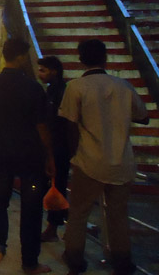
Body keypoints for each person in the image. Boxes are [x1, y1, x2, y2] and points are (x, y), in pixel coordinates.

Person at [59, 39, 149, 275]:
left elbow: (69, 125)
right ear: (105, 58)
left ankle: (76, 259)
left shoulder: (76, 87)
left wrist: (72, 155)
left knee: (79, 212)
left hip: (89, 161)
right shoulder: (123, 86)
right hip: (122, 161)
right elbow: (143, 116)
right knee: (118, 215)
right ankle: (122, 260)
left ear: (80, 59)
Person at [0, 38, 54, 274]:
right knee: (31, 208)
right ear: (20, 57)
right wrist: (49, 156)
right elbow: (41, 127)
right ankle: (30, 262)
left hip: (3, 153)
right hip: (30, 156)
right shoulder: (33, 87)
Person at [37, 55, 70, 243]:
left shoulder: (62, 92)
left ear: (54, 71)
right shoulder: (50, 91)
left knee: (57, 186)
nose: (40, 74)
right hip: (50, 145)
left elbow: (64, 122)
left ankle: (54, 227)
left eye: (43, 70)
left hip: (59, 146)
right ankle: (53, 225)